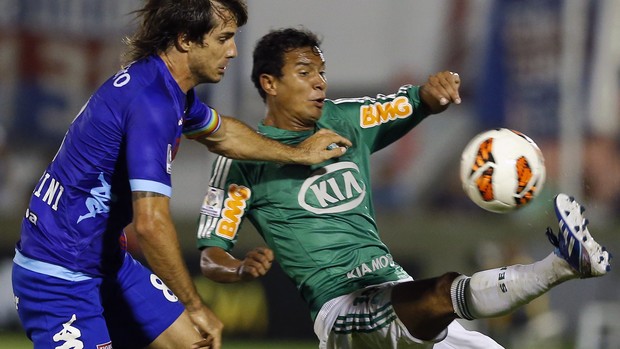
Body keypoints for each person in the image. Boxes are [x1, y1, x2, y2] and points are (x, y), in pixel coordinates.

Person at [196, 28, 611, 349]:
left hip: (393, 287)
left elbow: (414, 100)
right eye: (305, 74)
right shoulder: (241, 161)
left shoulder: (345, 121)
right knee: (441, 291)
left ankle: (563, 265)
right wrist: (237, 268)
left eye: (321, 72)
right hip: (341, 309)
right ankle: (562, 265)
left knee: (444, 302)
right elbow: (211, 251)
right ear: (270, 83)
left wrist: (438, 90)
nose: (320, 83)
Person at [11, 3, 351, 349]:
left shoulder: (169, 90)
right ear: (186, 39)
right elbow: (151, 224)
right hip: (58, 275)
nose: (232, 51)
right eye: (223, 38)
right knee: (197, 326)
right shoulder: (152, 103)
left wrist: (297, 153)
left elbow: (224, 135)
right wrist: (195, 304)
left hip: (108, 264)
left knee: (194, 344)